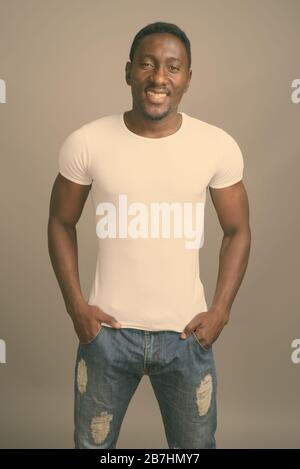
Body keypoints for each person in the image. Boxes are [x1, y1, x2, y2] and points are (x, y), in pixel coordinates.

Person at [47, 21, 251, 449]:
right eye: (147, 64)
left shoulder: (216, 145)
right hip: (106, 337)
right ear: (128, 72)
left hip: (186, 339)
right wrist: (76, 309)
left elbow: (237, 231)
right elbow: (60, 222)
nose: (159, 77)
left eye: (173, 68)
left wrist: (221, 311)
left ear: (188, 79)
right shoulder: (87, 141)